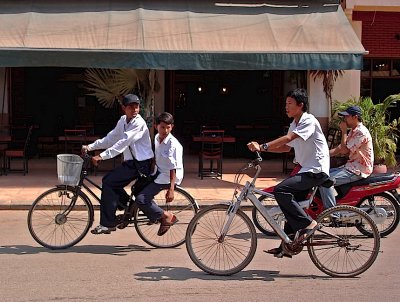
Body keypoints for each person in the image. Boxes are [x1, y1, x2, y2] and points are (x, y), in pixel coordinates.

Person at [247, 88, 330, 257]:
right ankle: (288, 244)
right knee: (292, 206)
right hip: (306, 169)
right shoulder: (295, 122)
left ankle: (308, 224)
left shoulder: (308, 120)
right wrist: (264, 151)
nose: (286, 107)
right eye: (286, 103)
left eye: (290, 104)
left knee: (281, 190)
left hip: (315, 170)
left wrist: (263, 146)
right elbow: (286, 147)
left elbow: (288, 139)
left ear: (300, 105)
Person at [82, 94, 154, 234]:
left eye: (137, 106)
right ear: (124, 108)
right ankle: (132, 207)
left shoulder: (138, 123)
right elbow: (111, 138)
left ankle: (107, 223)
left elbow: (122, 143)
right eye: (130, 107)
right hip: (132, 163)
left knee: (109, 182)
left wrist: (101, 156)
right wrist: (90, 147)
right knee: (109, 181)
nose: (134, 110)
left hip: (141, 164)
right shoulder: (123, 120)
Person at [135, 112, 184, 236]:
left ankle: (167, 216)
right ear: (156, 126)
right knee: (137, 188)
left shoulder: (174, 145)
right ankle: (154, 214)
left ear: (172, 127)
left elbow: (174, 167)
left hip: (169, 176)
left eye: (168, 127)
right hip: (159, 172)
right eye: (162, 127)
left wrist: (171, 188)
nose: (165, 130)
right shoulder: (157, 138)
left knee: (141, 199)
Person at [319, 105, 374, 209]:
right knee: (322, 174)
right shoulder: (354, 131)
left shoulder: (361, 132)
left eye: (347, 116)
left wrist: (343, 131)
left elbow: (344, 150)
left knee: (326, 181)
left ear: (355, 117)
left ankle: (332, 212)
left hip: (358, 170)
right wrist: (322, 155)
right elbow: (340, 148)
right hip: (351, 167)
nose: (345, 119)